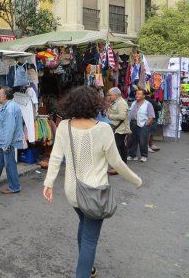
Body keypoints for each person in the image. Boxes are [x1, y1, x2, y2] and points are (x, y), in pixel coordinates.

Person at [43, 87, 142, 278]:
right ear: (95, 105)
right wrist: (136, 180)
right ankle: (84, 272)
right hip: (95, 194)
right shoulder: (104, 129)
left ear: (70, 104)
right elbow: (117, 162)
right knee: (90, 238)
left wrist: (48, 184)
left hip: (73, 191)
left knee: (84, 223)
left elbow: (55, 157)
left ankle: (88, 267)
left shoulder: (64, 125)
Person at [106, 87, 131, 175]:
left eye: (110, 94)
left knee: (117, 148)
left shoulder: (121, 103)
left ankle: (118, 168)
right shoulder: (116, 102)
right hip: (117, 129)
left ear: (116, 95)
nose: (109, 96)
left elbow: (122, 116)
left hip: (121, 129)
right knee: (121, 147)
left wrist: (110, 116)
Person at [127, 89, 155, 163]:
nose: (137, 95)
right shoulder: (134, 103)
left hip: (143, 124)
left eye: (139, 94)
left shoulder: (148, 104)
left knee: (143, 141)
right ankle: (132, 155)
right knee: (132, 140)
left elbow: (151, 117)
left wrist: (146, 125)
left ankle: (144, 156)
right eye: (136, 94)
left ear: (143, 96)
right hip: (133, 123)